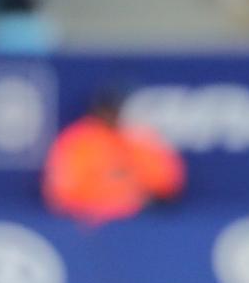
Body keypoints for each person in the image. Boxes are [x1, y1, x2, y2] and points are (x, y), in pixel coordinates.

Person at [42, 87, 187, 225]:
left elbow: (168, 183)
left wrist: (137, 191)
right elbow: (60, 193)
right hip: (90, 222)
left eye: (119, 109)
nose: (114, 114)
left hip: (140, 221)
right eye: (111, 109)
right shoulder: (77, 140)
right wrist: (103, 200)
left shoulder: (141, 137)